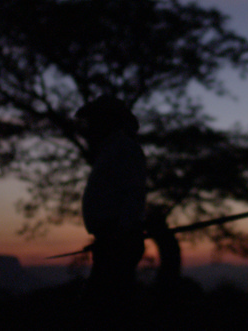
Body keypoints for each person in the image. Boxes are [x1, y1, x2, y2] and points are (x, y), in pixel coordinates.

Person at [75, 95, 148, 327]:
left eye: (93, 121)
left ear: (107, 121)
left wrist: (120, 234)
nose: (88, 127)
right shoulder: (112, 149)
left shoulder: (123, 148)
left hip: (117, 241)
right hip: (112, 239)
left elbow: (134, 194)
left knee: (105, 310)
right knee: (110, 308)